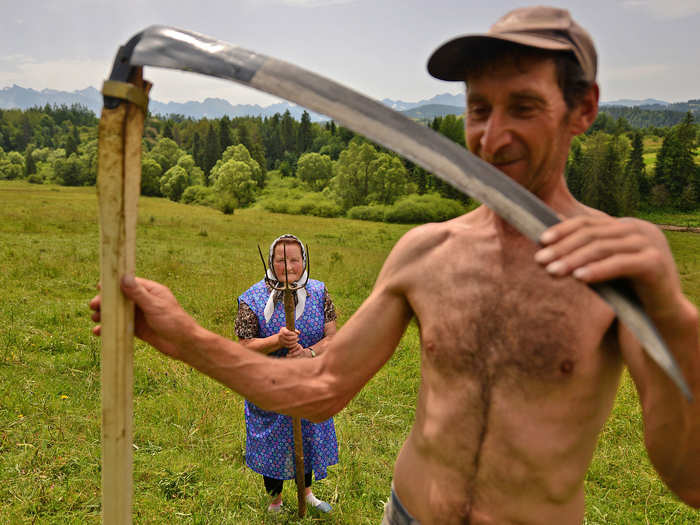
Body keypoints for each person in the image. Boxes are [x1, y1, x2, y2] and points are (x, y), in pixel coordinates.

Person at [91, 6, 700, 524]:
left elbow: (688, 478)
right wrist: (182, 336)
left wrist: (673, 316)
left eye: (524, 106)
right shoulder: (427, 253)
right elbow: (320, 385)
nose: (492, 136)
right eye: (479, 107)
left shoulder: (622, 268)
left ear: (584, 108)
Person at [234, 234, 337, 513]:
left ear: (304, 261)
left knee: (308, 436)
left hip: (308, 383)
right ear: (271, 261)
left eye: (295, 259)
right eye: (281, 260)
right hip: (270, 386)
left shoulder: (319, 291)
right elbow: (244, 347)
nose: (289, 266)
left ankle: (308, 494)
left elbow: (333, 338)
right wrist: (276, 341)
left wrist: (309, 353)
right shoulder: (253, 298)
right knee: (273, 443)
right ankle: (275, 502)